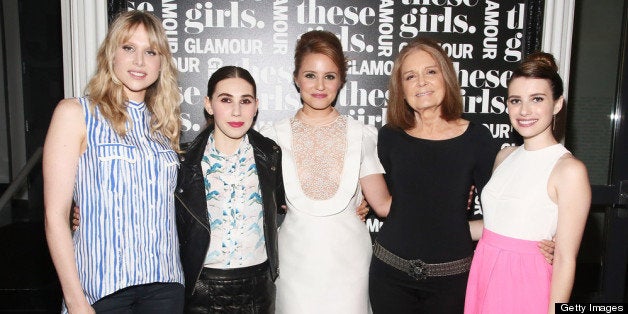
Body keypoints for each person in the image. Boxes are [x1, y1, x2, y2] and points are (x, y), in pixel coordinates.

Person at [43, 10, 184, 313]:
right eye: (128, 48)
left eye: (150, 51)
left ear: (162, 63)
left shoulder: (164, 126)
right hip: (102, 288)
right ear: (111, 54)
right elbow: (55, 216)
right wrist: (75, 300)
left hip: (166, 284)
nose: (139, 61)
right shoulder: (75, 114)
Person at [260, 30, 392, 313]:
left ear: (341, 80)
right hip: (294, 263)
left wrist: (446, 197)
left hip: (350, 264)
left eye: (329, 76)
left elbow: (384, 205)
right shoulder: (272, 136)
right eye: (310, 75)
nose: (319, 85)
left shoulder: (362, 135)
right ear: (296, 78)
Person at [368, 36, 497, 314]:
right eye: (410, 76)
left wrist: (538, 238)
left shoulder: (477, 139)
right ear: (400, 89)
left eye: (430, 71)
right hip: (389, 276)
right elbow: (386, 201)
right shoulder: (389, 137)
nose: (421, 82)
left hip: (452, 282)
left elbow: (501, 212)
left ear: (446, 77)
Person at [464, 52, 590, 314]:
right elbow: (495, 224)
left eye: (537, 99)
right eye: (515, 100)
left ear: (557, 104)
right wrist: (437, 230)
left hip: (525, 283)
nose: (524, 111)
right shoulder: (505, 155)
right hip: (484, 272)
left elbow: (565, 259)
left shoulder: (569, 170)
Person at [175, 66, 285, 313]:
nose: (237, 111)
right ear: (208, 104)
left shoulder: (271, 155)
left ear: (256, 105)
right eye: (226, 100)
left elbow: (287, 202)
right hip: (199, 289)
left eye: (245, 101)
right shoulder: (182, 161)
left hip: (259, 288)